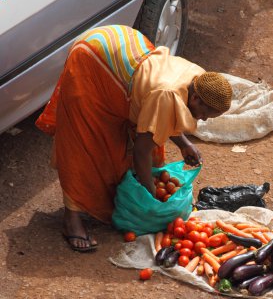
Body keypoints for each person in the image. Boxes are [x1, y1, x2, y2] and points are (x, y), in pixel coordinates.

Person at [36, 25, 232, 252]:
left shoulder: (199, 79)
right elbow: (142, 151)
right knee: (85, 144)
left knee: (129, 142)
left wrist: (184, 144)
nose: (204, 120)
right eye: (205, 114)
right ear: (196, 98)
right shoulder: (167, 94)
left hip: (125, 49)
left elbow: (165, 116)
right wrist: (151, 196)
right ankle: (72, 220)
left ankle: (114, 199)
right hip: (94, 59)